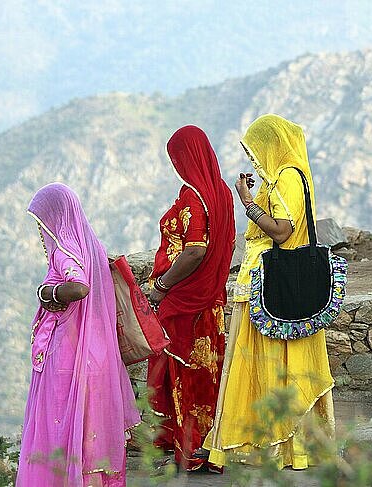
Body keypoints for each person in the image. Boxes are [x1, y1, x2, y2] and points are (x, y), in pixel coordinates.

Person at [203, 114, 335, 469]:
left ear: (273, 145)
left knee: (272, 361)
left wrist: (247, 201)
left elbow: (281, 231)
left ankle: (274, 443)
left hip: (273, 284)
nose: (254, 161)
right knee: (267, 361)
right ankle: (272, 441)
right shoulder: (282, 177)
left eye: (256, 152)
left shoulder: (288, 177)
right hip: (267, 280)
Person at [16, 183, 141, 487]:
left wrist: (47, 290)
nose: (40, 234)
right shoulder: (91, 246)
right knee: (89, 433)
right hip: (94, 355)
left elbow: (80, 287)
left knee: (62, 427)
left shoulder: (64, 252)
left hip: (69, 358)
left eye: (41, 224)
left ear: (54, 220)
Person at [147, 125, 235, 472]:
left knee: (183, 373)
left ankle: (188, 448)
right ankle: (207, 445)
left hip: (186, 299)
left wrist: (163, 286)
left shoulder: (193, 197)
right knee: (206, 374)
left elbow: (195, 250)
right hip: (210, 299)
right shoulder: (221, 193)